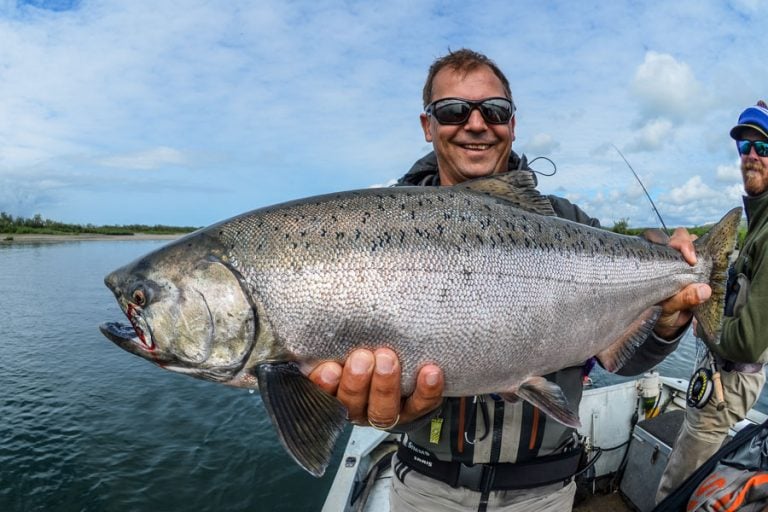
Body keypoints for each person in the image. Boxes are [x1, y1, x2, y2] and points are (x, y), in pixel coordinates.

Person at [309, 48, 709, 512]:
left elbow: (620, 361)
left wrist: (665, 327)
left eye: (494, 110)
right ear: (427, 125)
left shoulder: (572, 222)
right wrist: (390, 416)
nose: (476, 123)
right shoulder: (380, 231)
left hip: (546, 492)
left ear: (512, 124)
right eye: (454, 110)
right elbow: (374, 396)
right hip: (424, 487)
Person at [655, 101, 768, 504]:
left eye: (764, 148)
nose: (752, 156)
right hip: (721, 380)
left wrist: (701, 323)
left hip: (729, 383)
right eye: (745, 148)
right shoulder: (757, 223)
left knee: (678, 492)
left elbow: (748, 343)